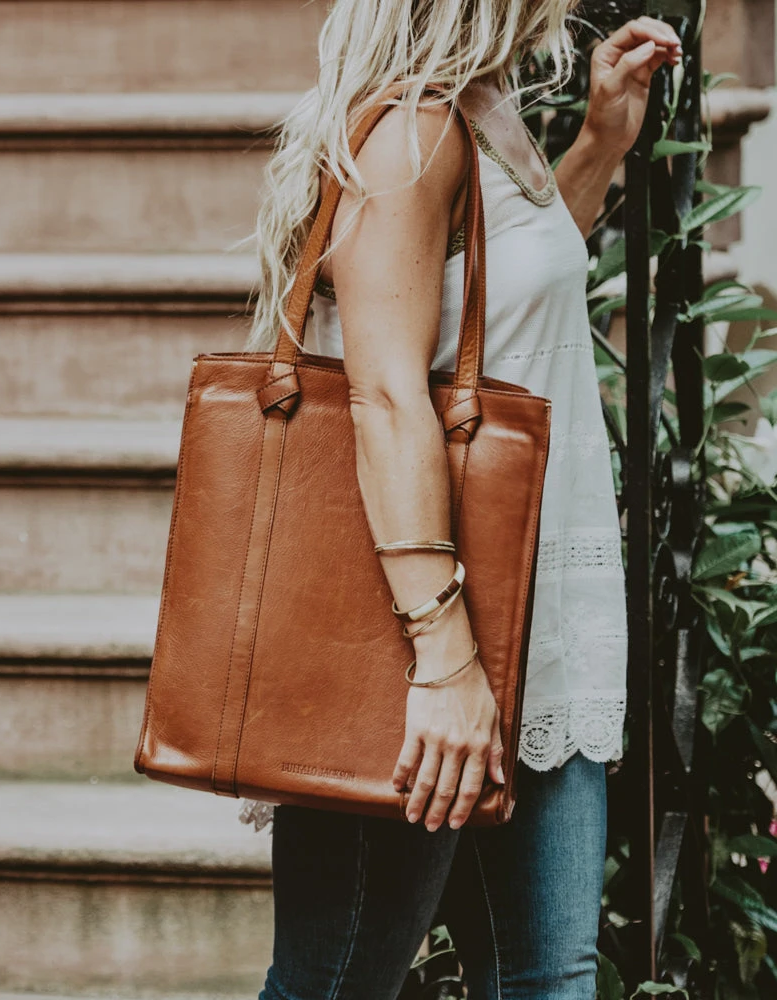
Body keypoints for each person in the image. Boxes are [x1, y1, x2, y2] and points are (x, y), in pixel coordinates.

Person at [244, 2, 683, 998]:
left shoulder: (484, 110)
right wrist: (444, 661)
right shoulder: (406, 131)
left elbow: (497, 308)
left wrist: (600, 143)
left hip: (535, 620)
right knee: (339, 974)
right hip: (427, 635)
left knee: (547, 974)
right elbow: (388, 393)